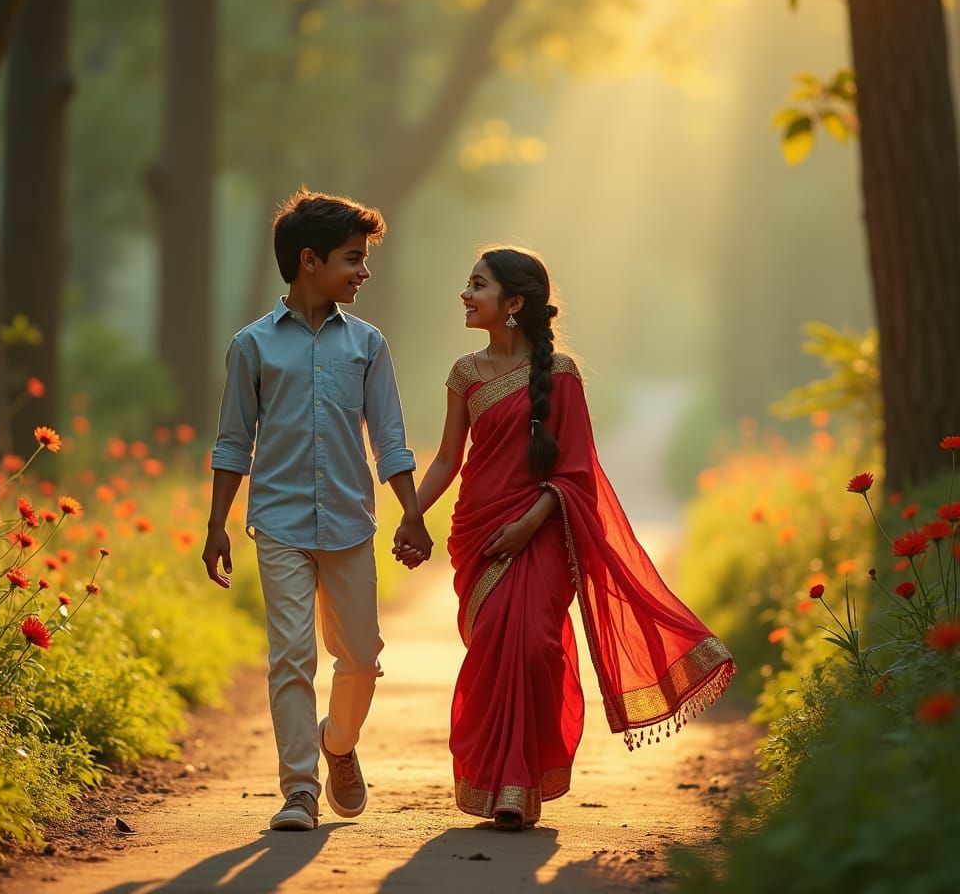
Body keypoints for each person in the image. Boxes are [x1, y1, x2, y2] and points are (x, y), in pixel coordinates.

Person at [396, 247, 734, 831]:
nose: (465, 294)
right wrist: (410, 514)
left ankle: (519, 782)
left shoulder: (562, 376)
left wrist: (529, 523)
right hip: (479, 532)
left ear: (514, 304)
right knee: (492, 650)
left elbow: (575, 471)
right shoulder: (464, 373)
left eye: (478, 285)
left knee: (534, 645)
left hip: (544, 530)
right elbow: (450, 456)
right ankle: (498, 781)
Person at [203, 188, 433, 832]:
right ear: (310, 261)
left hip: (350, 523)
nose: (363, 271)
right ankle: (299, 790)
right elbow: (232, 441)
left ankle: (338, 743)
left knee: (361, 657)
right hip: (276, 523)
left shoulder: (367, 345)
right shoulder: (252, 347)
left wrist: (412, 514)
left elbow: (389, 437)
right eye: (352, 258)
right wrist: (217, 524)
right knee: (291, 656)